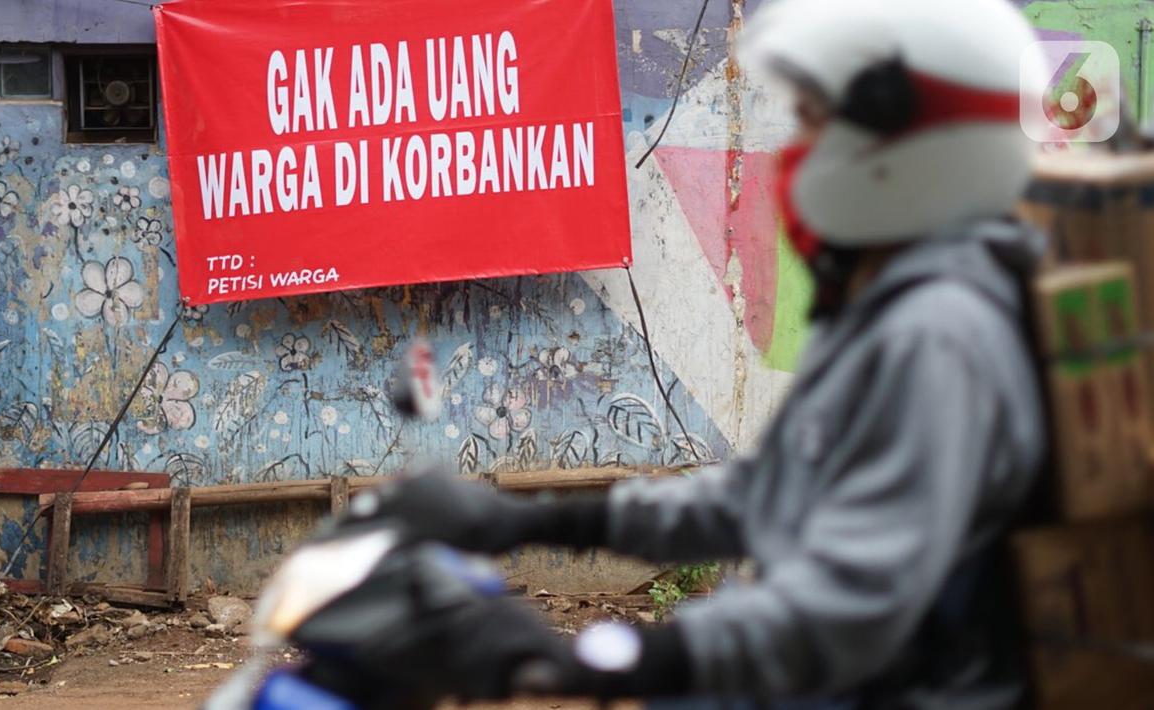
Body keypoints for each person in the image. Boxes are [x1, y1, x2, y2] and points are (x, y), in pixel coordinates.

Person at [346, 0, 1049, 707]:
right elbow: (763, 495)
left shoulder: (937, 335)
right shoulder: (891, 305)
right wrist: (533, 522)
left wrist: (603, 659)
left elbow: (850, 604)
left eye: (813, 121)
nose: (796, 152)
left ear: (906, 149)